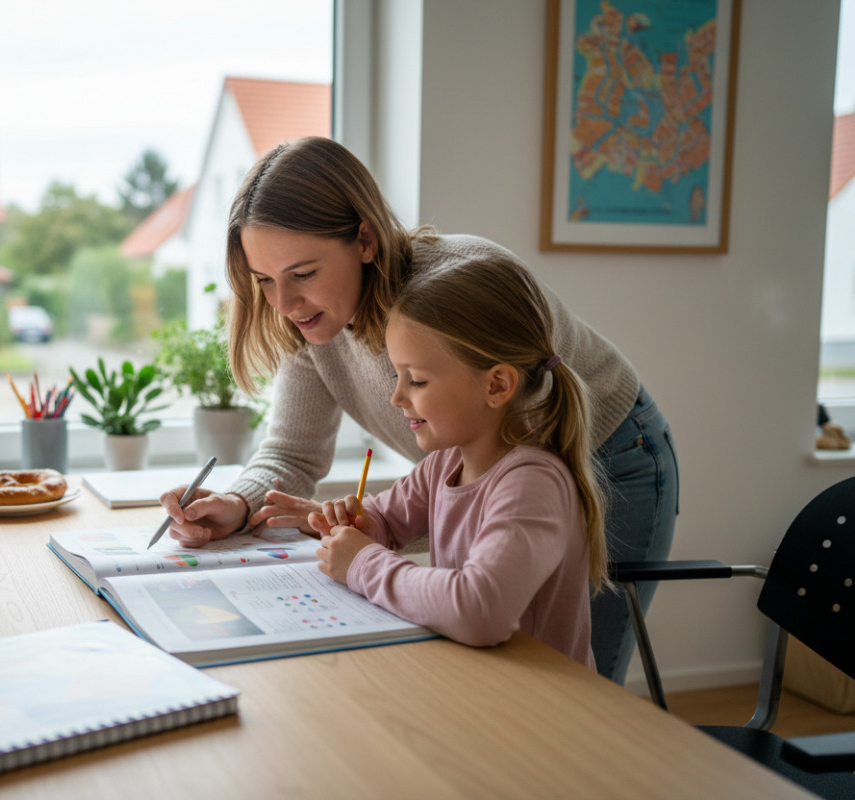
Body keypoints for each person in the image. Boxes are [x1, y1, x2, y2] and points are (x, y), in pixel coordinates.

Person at [158, 136, 679, 683]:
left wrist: (373, 557)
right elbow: (292, 451)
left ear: (363, 237)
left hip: (613, 451)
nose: (283, 306)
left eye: (302, 274)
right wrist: (240, 504)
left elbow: (512, 480)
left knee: (573, 688)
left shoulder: (458, 294)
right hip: (499, 471)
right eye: (264, 281)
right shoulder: (318, 325)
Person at [304, 254, 606, 668]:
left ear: (497, 385)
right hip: (477, 688)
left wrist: (363, 563)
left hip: (543, 713)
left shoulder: (532, 484)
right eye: (397, 376)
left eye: (418, 380)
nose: (397, 397)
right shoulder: (444, 465)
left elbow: (480, 610)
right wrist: (363, 524)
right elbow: (385, 520)